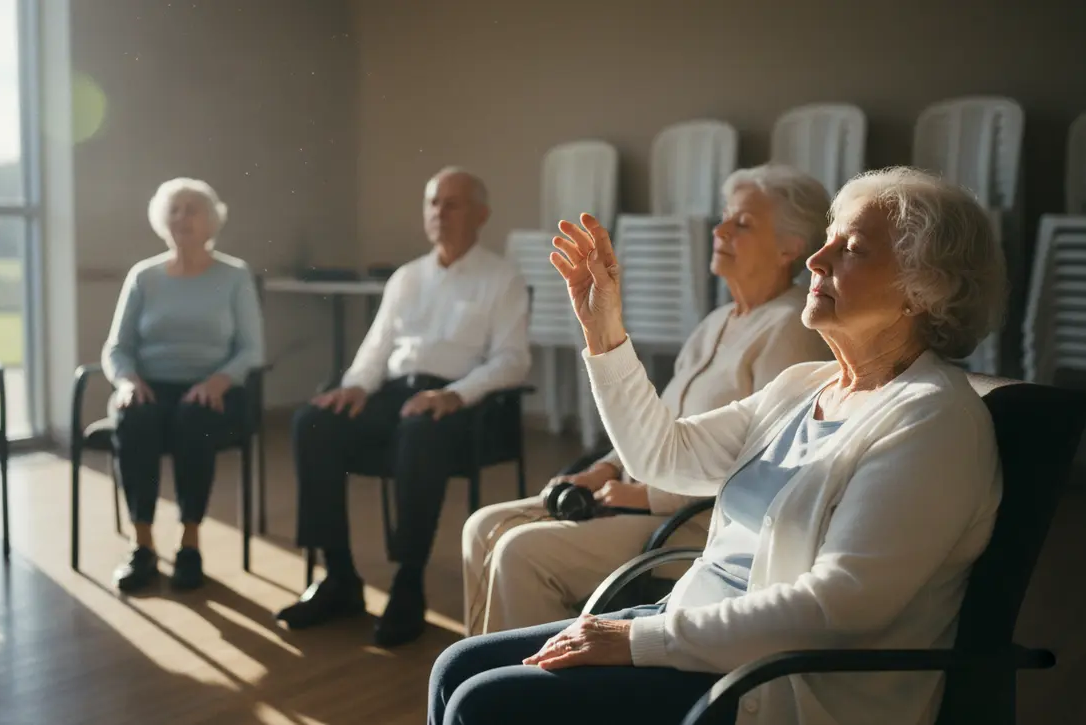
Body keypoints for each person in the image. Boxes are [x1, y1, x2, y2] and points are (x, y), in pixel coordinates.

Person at [429, 166, 1008, 725]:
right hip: (699, 630)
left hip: (776, 684)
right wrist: (602, 332)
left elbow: (836, 608)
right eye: (827, 239)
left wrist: (637, 638)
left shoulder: (933, 421)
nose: (816, 259)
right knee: (455, 666)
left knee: (484, 704)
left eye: (851, 248)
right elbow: (663, 456)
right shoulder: (803, 387)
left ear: (922, 291)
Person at [462, 165, 833, 635]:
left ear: (791, 248)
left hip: (689, 524)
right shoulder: (718, 320)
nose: (718, 230)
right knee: (482, 526)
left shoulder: (790, 330)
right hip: (634, 493)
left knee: (520, 552)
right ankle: (479, 683)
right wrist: (606, 467)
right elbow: (660, 420)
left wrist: (643, 496)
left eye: (742, 223)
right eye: (724, 217)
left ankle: (523, 696)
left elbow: (764, 465)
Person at [277, 166, 531, 648]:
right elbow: (375, 350)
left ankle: (408, 582)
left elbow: (512, 360)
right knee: (313, 422)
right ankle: (339, 577)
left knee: (419, 431)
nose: (439, 212)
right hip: (394, 393)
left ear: (482, 214)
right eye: (433, 202)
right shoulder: (407, 277)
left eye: (452, 203)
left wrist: (455, 394)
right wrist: (354, 386)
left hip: (461, 403)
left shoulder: (503, 278)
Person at [102, 178, 265, 593]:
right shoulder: (144, 276)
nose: (182, 217)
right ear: (162, 220)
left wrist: (218, 381)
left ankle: (190, 544)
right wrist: (127, 381)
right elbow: (117, 348)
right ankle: (143, 547)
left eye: (192, 209)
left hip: (215, 389)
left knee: (194, 418)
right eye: (174, 209)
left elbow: (251, 349)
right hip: (151, 386)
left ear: (211, 221)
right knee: (135, 418)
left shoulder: (234, 275)